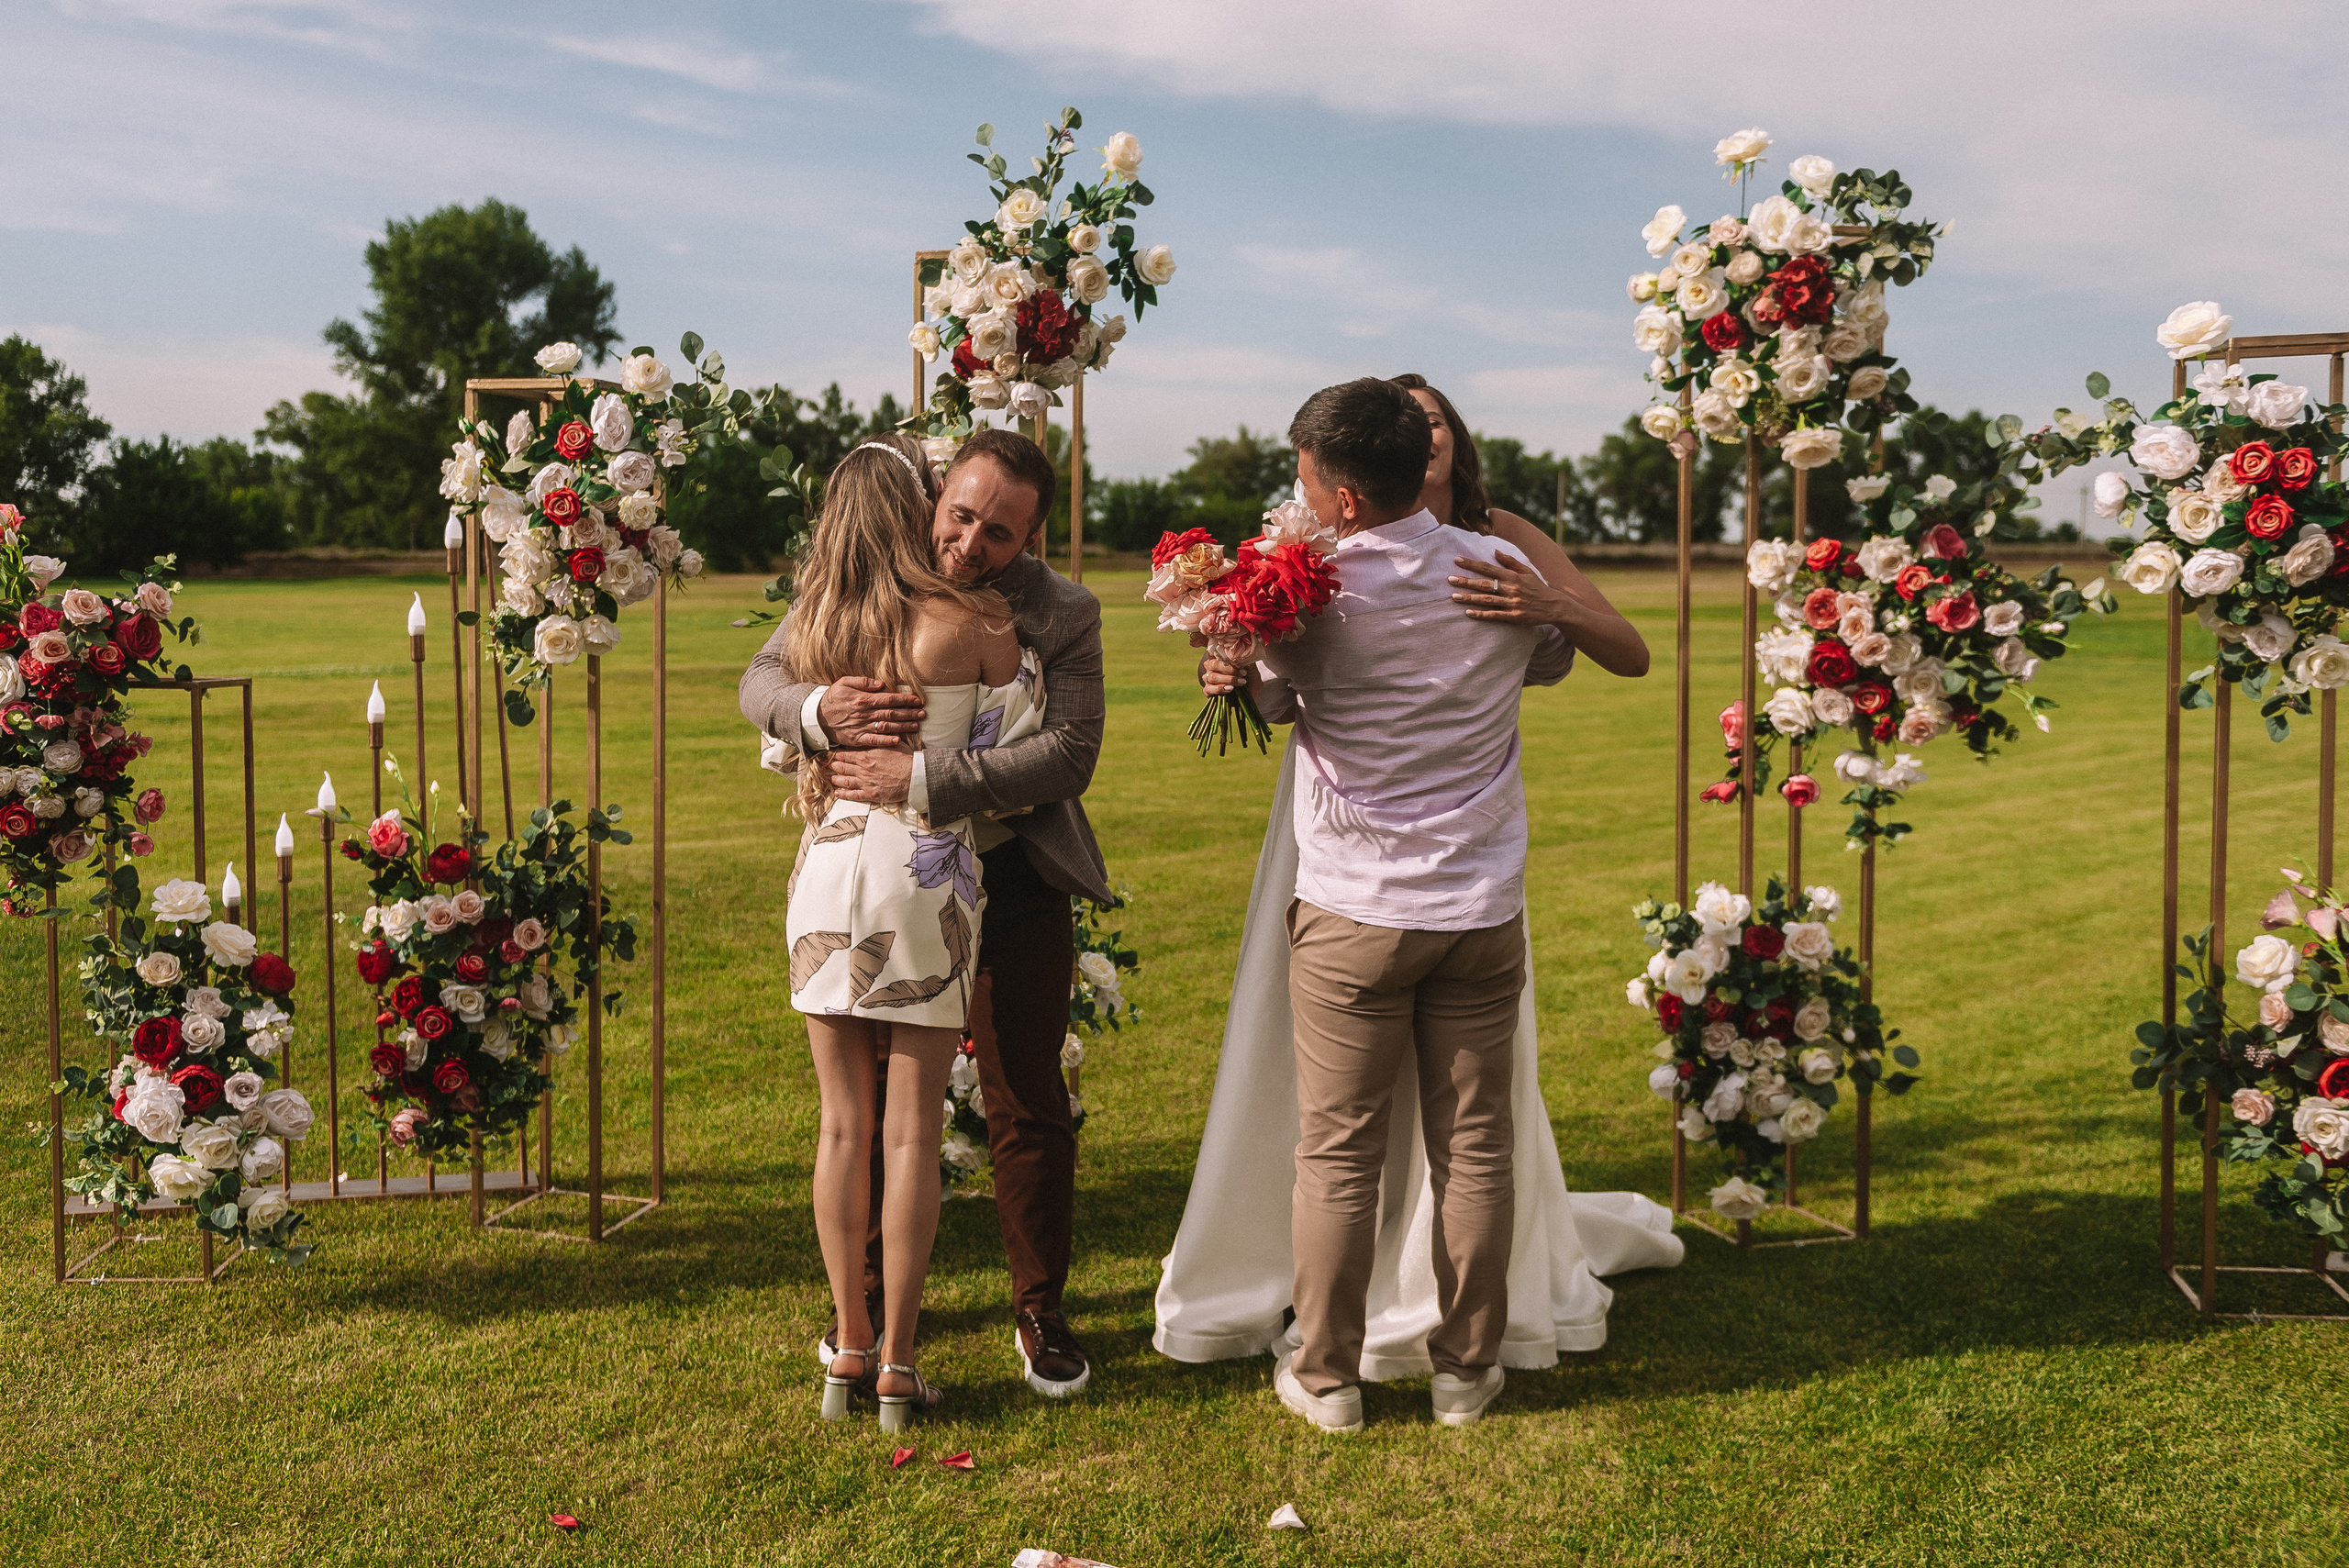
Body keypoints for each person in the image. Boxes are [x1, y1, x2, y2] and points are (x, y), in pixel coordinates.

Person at [1159, 377, 1680, 1432]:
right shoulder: (1504, 573)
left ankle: (1328, 1374)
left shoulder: (1308, 599)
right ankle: (1465, 1368)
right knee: (1477, 1147)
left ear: (1342, 496)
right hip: (1480, 908)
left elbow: (1263, 696)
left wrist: (1223, 648)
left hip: (1353, 910)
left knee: (1339, 1149)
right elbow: (1551, 662)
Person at [741, 427, 1109, 1402]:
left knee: (1024, 1091)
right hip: (914, 882)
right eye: (960, 515)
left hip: (1012, 871)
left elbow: (1070, 754)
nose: (969, 543)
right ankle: (861, 1309)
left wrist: (923, 775)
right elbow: (762, 681)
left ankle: (1039, 1308)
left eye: (999, 533)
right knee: (875, 1112)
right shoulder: (869, 588)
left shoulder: (1063, 610)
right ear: (933, 496)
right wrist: (825, 712)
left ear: (1029, 537)